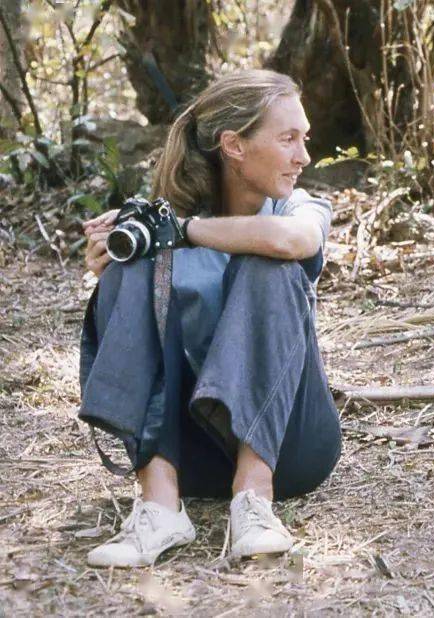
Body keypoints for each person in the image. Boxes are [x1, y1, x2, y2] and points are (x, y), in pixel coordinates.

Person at [78, 69, 342, 568]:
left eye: (303, 139)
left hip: (292, 448)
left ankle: (254, 499)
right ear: (233, 145)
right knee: (129, 268)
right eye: (288, 138)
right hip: (191, 451)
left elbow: (293, 241)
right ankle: (159, 504)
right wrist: (110, 267)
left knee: (269, 262)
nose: (303, 156)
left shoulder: (299, 207)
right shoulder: (160, 228)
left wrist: (185, 230)